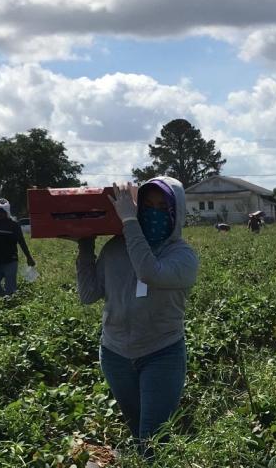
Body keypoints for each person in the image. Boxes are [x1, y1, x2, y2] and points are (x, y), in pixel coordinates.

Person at [76, 177, 198, 451]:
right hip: (115, 354)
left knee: (152, 440)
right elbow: (88, 295)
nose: (153, 213)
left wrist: (130, 223)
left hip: (161, 353)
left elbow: (148, 271)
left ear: (175, 212)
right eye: (147, 205)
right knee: (138, 432)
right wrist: (85, 245)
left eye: (161, 206)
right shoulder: (115, 248)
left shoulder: (183, 257)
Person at [0, 198, 35, 296]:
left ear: (7, 212)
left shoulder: (13, 225)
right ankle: (3, 298)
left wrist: (29, 257)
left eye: (2, 212)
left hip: (10, 261)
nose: (0, 214)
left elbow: (21, 241)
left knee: (10, 288)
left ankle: (10, 303)